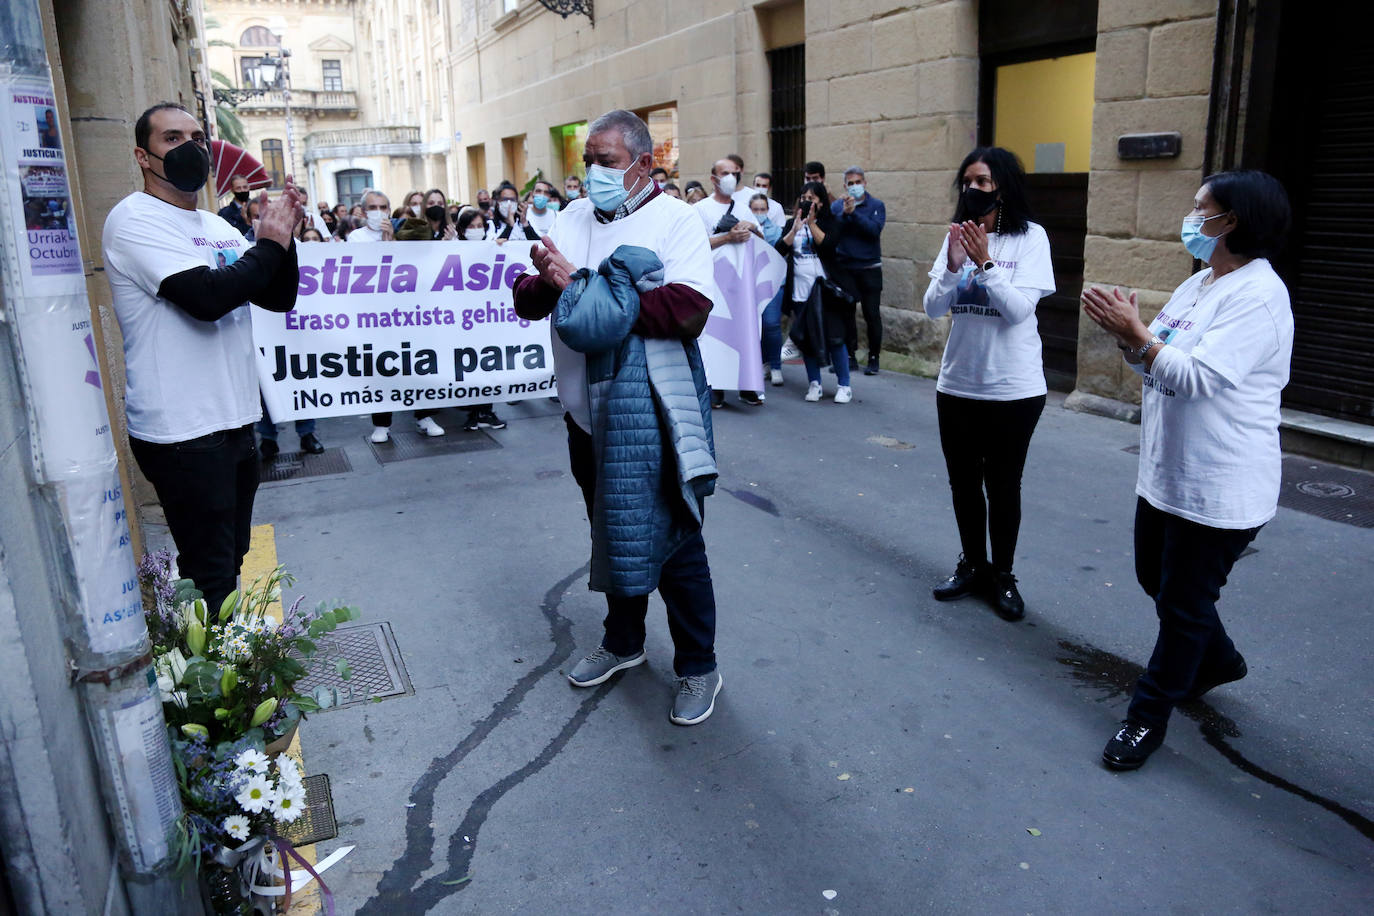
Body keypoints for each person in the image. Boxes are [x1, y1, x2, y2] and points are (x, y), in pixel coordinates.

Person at [513, 108, 724, 726]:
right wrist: (555, 283)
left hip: (648, 418)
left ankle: (699, 665)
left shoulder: (676, 220)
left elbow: (686, 310)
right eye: (588, 162)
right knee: (609, 531)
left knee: (675, 542)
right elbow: (529, 298)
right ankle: (624, 641)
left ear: (644, 163)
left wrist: (583, 289)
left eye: (606, 162)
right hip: (584, 419)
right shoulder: (572, 217)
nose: (594, 174)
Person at [1082, 171, 1293, 771]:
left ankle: (1145, 717)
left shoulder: (1259, 296)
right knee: (1158, 579)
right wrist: (1130, 338)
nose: (1190, 217)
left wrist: (1138, 336)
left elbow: (1199, 377)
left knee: (1182, 606)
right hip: (1167, 474)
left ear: (1231, 221)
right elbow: (1156, 361)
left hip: (1221, 486)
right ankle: (1219, 660)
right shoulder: (1200, 282)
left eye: (1201, 208)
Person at [102, 102, 301, 613]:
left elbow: (277, 295)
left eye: (196, 138)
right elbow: (207, 298)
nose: (189, 148)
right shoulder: (134, 219)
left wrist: (283, 237)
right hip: (183, 431)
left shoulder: (215, 226)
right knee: (210, 571)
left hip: (234, 420)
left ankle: (223, 656)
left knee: (230, 558)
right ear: (142, 156)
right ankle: (212, 662)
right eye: (172, 138)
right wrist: (269, 246)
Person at [922, 147, 1055, 622]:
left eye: (982, 181)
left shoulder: (1031, 238)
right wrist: (953, 265)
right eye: (967, 182)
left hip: (1013, 390)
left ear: (1004, 186)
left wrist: (985, 264)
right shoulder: (955, 236)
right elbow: (933, 308)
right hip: (958, 384)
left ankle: (1003, 574)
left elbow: (1019, 311)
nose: (972, 189)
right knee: (963, 484)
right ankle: (973, 565)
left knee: (1002, 486)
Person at [349, 189, 443, 441]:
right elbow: (366, 270)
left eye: (383, 207)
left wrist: (394, 240)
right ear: (363, 211)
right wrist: (386, 244)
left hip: (407, 312)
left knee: (418, 363)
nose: (378, 212)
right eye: (372, 208)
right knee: (382, 369)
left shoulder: (404, 230)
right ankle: (381, 424)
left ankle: (424, 416)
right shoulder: (356, 237)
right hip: (375, 316)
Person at [695, 158, 762, 407]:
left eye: (735, 173)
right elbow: (696, 244)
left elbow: (762, 241)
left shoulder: (744, 209)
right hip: (713, 282)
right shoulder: (700, 209)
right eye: (725, 173)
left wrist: (752, 227)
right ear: (713, 178)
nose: (731, 177)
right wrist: (727, 237)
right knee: (715, 334)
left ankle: (747, 384)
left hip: (741, 283)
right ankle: (715, 386)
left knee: (745, 331)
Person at [779, 182, 851, 403]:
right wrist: (795, 229)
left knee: (835, 338)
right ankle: (814, 383)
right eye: (804, 197)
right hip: (800, 292)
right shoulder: (792, 223)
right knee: (807, 340)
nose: (807, 201)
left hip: (824, 291)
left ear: (821, 202)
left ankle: (844, 385)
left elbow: (828, 245)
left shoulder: (831, 222)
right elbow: (779, 249)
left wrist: (811, 223)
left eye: (812, 198)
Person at [450, 207, 508, 434]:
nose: (476, 230)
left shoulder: (491, 247)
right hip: (462, 319)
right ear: (462, 229)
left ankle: (485, 411)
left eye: (479, 226)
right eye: (471, 226)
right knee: (469, 365)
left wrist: (502, 248)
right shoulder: (452, 248)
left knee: (487, 364)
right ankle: (474, 411)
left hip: (486, 318)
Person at [831, 166, 886, 374]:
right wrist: (845, 214)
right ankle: (850, 356)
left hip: (870, 268)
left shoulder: (876, 205)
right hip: (846, 268)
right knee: (847, 314)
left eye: (858, 182)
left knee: (872, 314)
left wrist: (854, 214)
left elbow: (873, 231)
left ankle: (874, 357)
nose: (854, 186)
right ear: (845, 186)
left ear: (865, 183)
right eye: (850, 183)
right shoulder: (837, 206)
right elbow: (834, 231)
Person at [749, 191, 786, 386]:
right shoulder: (742, 229)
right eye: (755, 210)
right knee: (756, 327)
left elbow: (776, 252)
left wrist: (757, 233)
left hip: (772, 284)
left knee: (772, 324)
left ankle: (776, 365)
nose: (759, 213)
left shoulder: (777, 231)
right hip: (750, 285)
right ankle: (763, 363)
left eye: (762, 209)